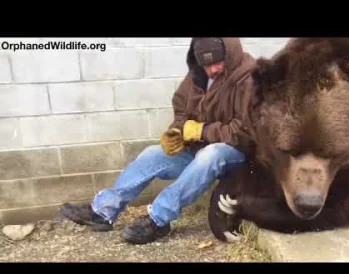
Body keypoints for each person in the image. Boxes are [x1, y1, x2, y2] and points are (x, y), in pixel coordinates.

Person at [59, 37, 256, 245]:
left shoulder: (249, 78)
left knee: (211, 154)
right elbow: (181, 112)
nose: (212, 69)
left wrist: (202, 131)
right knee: (152, 154)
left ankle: (158, 219)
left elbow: (246, 131)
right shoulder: (196, 76)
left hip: (236, 155)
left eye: (217, 62)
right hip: (200, 150)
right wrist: (176, 133)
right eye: (206, 64)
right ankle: (103, 211)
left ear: (229, 55)